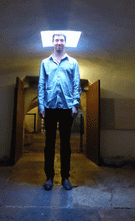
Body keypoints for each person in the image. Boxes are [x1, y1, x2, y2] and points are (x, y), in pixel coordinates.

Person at [38, 33, 81, 190]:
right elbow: (41, 84)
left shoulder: (73, 62)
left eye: (61, 40)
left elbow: (76, 84)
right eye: (56, 40)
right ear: (52, 43)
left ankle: (65, 178)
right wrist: (41, 106)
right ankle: (49, 177)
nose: (59, 42)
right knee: (49, 144)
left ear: (65, 43)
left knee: (66, 144)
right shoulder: (44, 63)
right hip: (49, 108)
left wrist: (75, 104)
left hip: (66, 108)